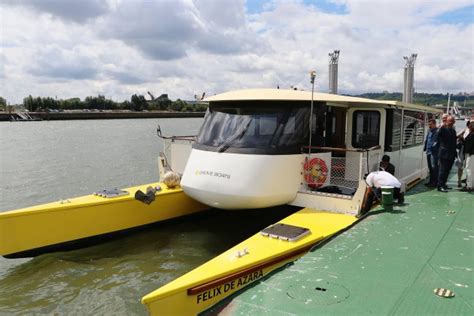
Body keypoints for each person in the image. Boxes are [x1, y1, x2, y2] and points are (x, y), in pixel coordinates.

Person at [436, 115, 457, 192]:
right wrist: (441, 127)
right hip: (444, 154)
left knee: (447, 171)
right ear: (446, 121)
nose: (451, 123)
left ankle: (444, 184)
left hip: (451, 155)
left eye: (452, 121)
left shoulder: (453, 131)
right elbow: (437, 135)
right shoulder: (443, 129)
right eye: (450, 121)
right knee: (442, 170)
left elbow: (454, 142)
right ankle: (440, 186)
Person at [423, 118, 439, 187]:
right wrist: (425, 148)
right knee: (430, 167)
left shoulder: (437, 131)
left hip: (434, 153)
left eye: (430, 124)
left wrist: (433, 147)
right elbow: (427, 139)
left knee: (434, 167)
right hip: (428, 151)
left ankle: (435, 182)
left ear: (434, 124)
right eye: (428, 124)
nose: (429, 125)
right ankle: (431, 181)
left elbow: (437, 141)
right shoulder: (429, 130)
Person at [456, 120, 471, 187]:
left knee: (469, 167)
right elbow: (456, 136)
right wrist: (461, 134)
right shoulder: (464, 130)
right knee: (460, 166)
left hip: (470, 151)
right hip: (462, 149)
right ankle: (459, 181)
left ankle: (468, 181)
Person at [461, 121, 474, 192]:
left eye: (471, 126)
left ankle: (469, 186)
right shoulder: (471, 134)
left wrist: (462, 139)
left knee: (469, 170)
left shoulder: (472, 134)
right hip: (471, 154)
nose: (469, 127)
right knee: (472, 170)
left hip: (470, 154)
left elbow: (469, 144)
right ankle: (472, 185)